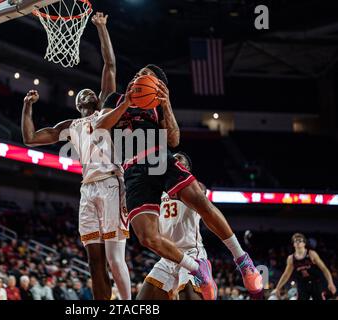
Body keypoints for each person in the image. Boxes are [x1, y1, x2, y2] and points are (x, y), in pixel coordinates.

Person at [98, 64, 262, 299]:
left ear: (156, 86)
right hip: (132, 168)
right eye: (137, 74)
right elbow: (100, 126)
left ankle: (242, 260)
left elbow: (174, 140)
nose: (138, 77)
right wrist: (126, 103)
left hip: (158, 156)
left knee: (201, 202)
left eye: (146, 76)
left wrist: (166, 104)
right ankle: (198, 269)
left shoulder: (154, 107)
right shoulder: (116, 99)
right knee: (147, 238)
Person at [21, 12, 131, 300]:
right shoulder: (70, 127)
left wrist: (101, 27)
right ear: (76, 103)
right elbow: (31, 138)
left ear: (95, 98)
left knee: (113, 258)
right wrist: (27, 107)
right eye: (80, 94)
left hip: (109, 183)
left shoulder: (105, 110)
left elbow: (109, 64)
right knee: (94, 260)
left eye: (88, 92)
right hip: (87, 189)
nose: (85, 94)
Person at [137, 153, 215, 300]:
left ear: (187, 169)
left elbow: (202, 191)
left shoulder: (195, 187)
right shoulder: (157, 192)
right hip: (168, 256)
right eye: (173, 160)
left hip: (191, 254)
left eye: (180, 161)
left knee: (188, 296)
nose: (175, 162)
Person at [275, 233, 336, 300]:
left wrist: (330, 282)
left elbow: (324, 269)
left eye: (300, 241)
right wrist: (278, 287)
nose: (298, 242)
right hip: (302, 284)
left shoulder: (311, 254)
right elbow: (286, 275)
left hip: (315, 283)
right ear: (293, 244)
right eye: (296, 241)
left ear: (304, 243)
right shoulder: (291, 258)